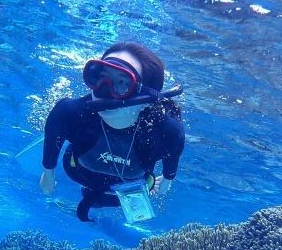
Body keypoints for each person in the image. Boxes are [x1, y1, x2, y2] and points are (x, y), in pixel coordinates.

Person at [39, 42, 185, 222]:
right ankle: (92, 198)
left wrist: (168, 179)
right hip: (79, 174)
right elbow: (54, 132)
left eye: (122, 83)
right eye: (100, 78)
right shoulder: (70, 113)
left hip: (130, 186)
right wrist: (48, 172)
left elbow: (171, 160)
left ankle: (94, 200)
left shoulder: (166, 130)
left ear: (147, 99)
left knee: (114, 200)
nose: (104, 92)